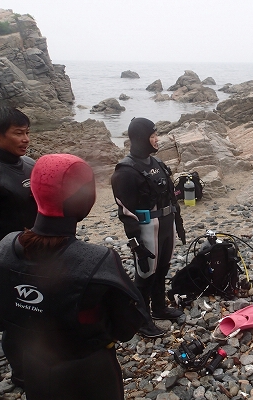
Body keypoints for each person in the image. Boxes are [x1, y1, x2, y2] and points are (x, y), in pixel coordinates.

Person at [0, 153, 149, 399]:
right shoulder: (98, 261)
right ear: (83, 200)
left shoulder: (3, 249)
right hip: (89, 371)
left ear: (35, 193)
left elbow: (1, 311)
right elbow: (127, 325)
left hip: (35, 367)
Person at [111, 117, 186, 338]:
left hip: (166, 225)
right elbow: (125, 213)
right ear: (141, 139)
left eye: (156, 135)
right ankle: (142, 321)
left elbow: (171, 197)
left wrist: (179, 224)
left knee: (162, 268)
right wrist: (136, 244)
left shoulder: (157, 163)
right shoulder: (125, 171)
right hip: (147, 229)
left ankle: (159, 308)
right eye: (153, 136)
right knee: (145, 274)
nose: (157, 139)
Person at [0, 106, 37, 257]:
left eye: (27, 132)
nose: (26, 139)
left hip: (38, 248)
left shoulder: (30, 164)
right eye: (19, 133)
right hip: (10, 254)